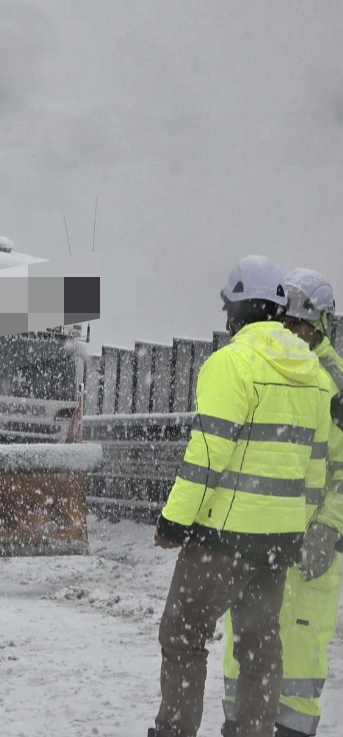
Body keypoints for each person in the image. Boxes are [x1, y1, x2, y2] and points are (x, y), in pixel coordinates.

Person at [149, 256, 335, 737]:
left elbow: (207, 454)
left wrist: (174, 521)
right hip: (278, 544)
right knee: (261, 646)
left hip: (222, 538)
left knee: (183, 634)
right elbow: (315, 471)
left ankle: (174, 732)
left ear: (237, 308)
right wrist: (293, 527)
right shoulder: (315, 375)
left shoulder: (232, 363)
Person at [220, 268, 343, 736]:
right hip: (261, 543)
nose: (290, 332)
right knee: (245, 650)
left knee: (297, 660)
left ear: (320, 327)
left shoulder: (334, 384)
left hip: (310, 551)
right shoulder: (263, 367)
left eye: (299, 325)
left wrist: (327, 527)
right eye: (284, 322)